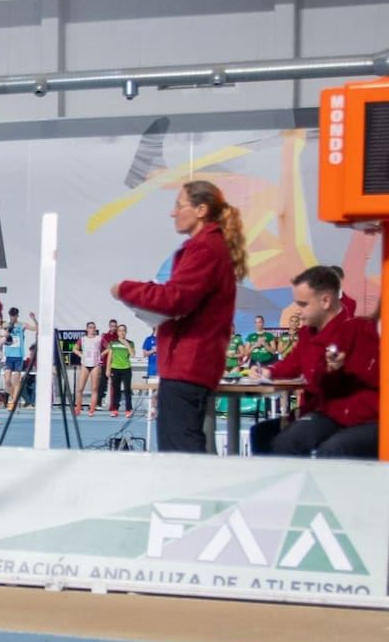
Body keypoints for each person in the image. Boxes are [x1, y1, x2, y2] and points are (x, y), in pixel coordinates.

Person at [112, 180, 247, 453]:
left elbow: (175, 299)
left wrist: (126, 288)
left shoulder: (205, 248)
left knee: (181, 453)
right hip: (190, 363)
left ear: (200, 209)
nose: (172, 212)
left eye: (178, 205)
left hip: (189, 363)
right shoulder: (210, 247)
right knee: (184, 448)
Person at [251, 266, 379, 458]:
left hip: (345, 413)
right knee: (263, 434)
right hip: (324, 410)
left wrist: (332, 370)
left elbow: (341, 382)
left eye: (303, 304)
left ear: (326, 301)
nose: (297, 311)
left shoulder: (353, 329)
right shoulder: (307, 333)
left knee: (290, 443)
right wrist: (268, 371)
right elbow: (293, 363)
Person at [3, 307, 38, 410]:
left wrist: (34, 319)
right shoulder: (7, 325)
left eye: (14, 316)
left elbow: (37, 329)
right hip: (9, 356)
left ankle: (13, 402)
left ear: (17, 316)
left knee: (16, 381)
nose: (12, 318)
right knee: (8, 381)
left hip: (18, 356)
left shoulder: (22, 325)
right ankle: (14, 398)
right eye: (11, 316)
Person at [71, 321, 102, 417]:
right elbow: (74, 349)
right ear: (87, 329)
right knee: (80, 388)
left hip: (95, 364)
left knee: (94, 389)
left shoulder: (99, 338)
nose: (92, 329)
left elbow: (109, 348)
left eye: (93, 327)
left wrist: (100, 356)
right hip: (85, 364)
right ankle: (78, 408)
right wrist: (81, 355)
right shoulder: (83, 339)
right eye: (90, 327)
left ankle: (92, 409)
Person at [106, 323, 136, 417]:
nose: (122, 332)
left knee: (127, 389)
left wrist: (126, 344)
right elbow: (109, 356)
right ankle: (115, 409)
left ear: (126, 332)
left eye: (123, 330)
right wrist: (108, 369)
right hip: (115, 368)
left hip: (126, 368)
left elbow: (132, 355)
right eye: (120, 330)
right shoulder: (113, 343)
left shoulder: (130, 343)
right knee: (116, 390)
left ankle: (128, 409)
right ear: (117, 332)